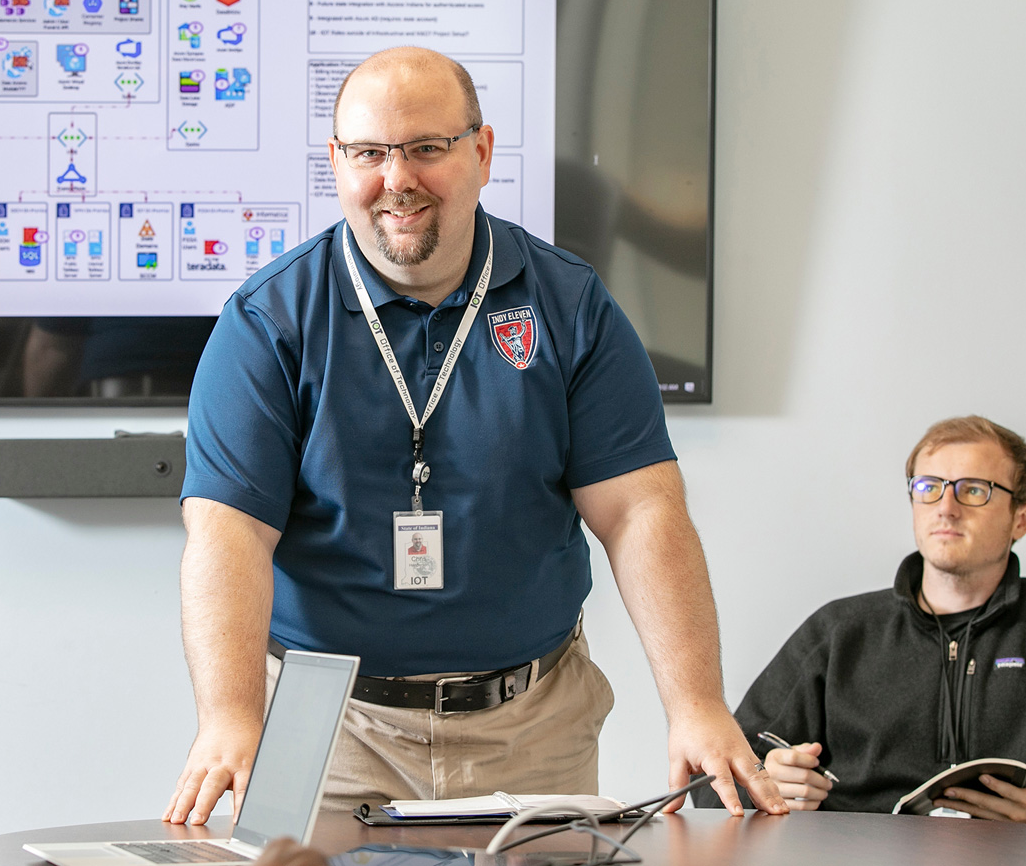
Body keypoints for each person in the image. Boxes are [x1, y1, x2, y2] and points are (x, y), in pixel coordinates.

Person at [166, 47, 785, 824]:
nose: (397, 178)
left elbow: (640, 513)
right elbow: (227, 535)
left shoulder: (569, 306)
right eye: (369, 153)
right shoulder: (267, 322)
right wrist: (231, 715)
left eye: (427, 148)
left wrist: (696, 702)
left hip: (533, 723)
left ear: (482, 152)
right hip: (333, 730)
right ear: (336, 160)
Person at [698, 416, 1026, 835]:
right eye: (929, 487)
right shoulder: (839, 631)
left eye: (974, 489)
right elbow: (710, 780)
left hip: (1022, 857)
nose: (947, 506)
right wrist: (764, 785)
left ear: (1022, 517)